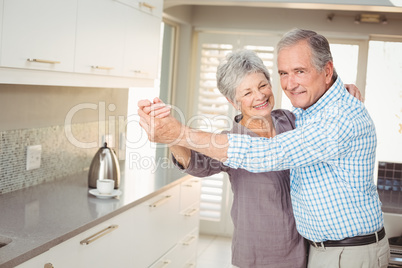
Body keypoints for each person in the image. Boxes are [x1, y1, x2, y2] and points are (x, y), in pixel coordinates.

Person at [138, 28, 390, 268]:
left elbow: (276, 148)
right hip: (258, 254)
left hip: (304, 251)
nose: (259, 96)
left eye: (262, 86)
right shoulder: (228, 141)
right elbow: (196, 163)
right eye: (246, 93)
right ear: (232, 101)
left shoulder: (294, 120)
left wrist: (338, 88)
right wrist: (171, 136)